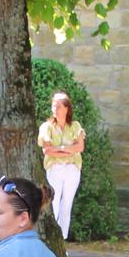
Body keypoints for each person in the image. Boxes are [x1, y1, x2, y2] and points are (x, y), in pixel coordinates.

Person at [38, 92, 86, 239]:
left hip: (72, 169)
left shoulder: (75, 126)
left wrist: (59, 149)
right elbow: (47, 150)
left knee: (67, 205)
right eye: (53, 105)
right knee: (53, 204)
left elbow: (80, 147)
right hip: (55, 169)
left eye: (58, 106)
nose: (55, 109)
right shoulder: (47, 127)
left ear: (66, 108)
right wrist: (68, 150)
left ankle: (62, 239)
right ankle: (51, 237)